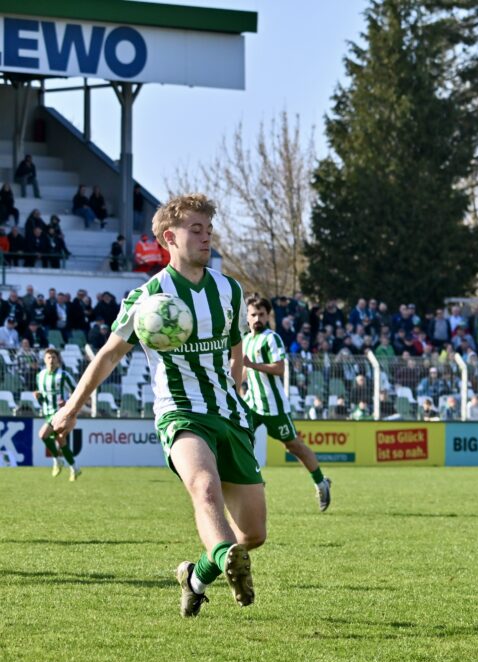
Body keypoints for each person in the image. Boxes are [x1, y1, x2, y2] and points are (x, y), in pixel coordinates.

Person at [45, 192, 260, 619]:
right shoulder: (147, 298)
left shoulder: (229, 290)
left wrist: (236, 386)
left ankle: (195, 577)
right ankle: (224, 557)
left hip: (229, 413)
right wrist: (70, 408)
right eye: (196, 229)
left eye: (209, 229)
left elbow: (237, 343)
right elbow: (108, 354)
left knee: (253, 534)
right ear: (169, 238)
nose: (206, 237)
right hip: (180, 410)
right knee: (204, 486)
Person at [242, 295, 331, 512]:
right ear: (247, 316)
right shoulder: (246, 339)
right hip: (251, 403)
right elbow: (244, 370)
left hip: (273, 406)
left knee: (294, 446)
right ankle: (254, 483)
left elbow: (280, 368)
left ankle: (321, 482)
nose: (257, 318)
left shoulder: (271, 338)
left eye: (261, 314)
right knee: (239, 440)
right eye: (253, 314)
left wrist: (252, 364)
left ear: (268, 316)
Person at [35, 348, 80, 480]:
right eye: (48, 357)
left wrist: (67, 403)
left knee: (42, 434)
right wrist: (38, 398)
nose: (51, 360)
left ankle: (57, 459)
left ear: (58, 360)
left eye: (54, 357)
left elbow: (77, 393)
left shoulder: (64, 375)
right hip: (47, 412)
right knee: (61, 440)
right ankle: (74, 468)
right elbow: (43, 399)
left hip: (60, 413)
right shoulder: (40, 376)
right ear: (44, 360)